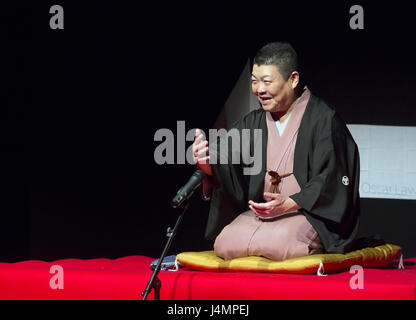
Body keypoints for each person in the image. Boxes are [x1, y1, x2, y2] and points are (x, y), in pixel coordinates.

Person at [192, 41, 361, 261]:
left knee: (284, 244)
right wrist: (206, 162)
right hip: (262, 213)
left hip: (305, 214)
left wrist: (290, 203)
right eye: (254, 81)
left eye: (266, 81)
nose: (259, 90)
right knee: (225, 242)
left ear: (293, 79)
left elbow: (332, 177)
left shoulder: (323, 119)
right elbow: (223, 158)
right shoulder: (253, 122)